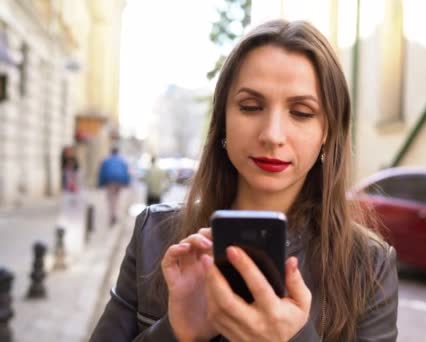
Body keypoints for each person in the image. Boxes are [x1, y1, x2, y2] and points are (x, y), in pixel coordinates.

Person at [90, 19, 398, 341]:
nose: (272, 135)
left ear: (327, 132)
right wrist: (176, 331)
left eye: (302, 112)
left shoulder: (368, 265)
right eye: (251, 107)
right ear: (223, 120)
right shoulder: (154, 233)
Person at [98, 147, 131, 225]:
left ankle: (112, 214)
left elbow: (102, 173)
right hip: (119, 181)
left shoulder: (106, 160)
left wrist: (100, 183)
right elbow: (126, 172)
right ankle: (115, 213)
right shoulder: (122, 161)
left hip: (110, 181)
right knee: (117, 198)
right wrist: (126, 182)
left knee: (110, 198)